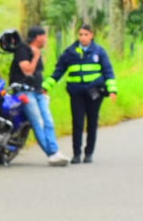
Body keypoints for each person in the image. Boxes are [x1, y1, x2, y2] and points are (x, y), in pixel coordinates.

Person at [44, 23, 118, 164]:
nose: (83, 37)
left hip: (94, 92)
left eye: (86, 34)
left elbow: (108, 71)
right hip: (76, 92)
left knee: (92, 122)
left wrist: (112, 90)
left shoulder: (99, 52)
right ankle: (76, 154)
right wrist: (47, 85)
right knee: (77, 122)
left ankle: (88, 153)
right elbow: (58, 71)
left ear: (92, 36)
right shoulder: (70, 52)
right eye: (80, 34)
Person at [10, 26, 70, 166]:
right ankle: (52, 154)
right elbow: (28, 71)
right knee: (38, 122)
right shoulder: (22, 50)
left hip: (38, 92)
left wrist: (43, 89)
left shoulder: (37, 51)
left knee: (48, 121)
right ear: (38, 37)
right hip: (25, 92)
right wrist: (36, 56)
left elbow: (37, 74)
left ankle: (55, 151)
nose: (46, 40)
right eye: (45, 36)